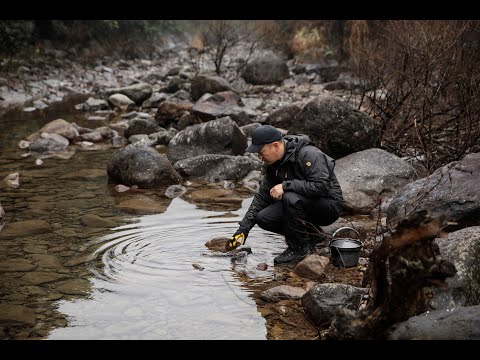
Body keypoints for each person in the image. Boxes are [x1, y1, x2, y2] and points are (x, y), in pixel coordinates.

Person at [227, 125, 344, 264]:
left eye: (261, 152)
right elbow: (261, 197)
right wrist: (243, 229)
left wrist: (285, 185)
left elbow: (321, 187)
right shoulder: (273, 164)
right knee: (263, 217)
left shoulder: (308, 154)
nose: (260, 157)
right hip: (302, 204)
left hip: (328, 206)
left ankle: (299, 249)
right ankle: (313, 238)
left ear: (275, 146)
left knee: (290, 197)